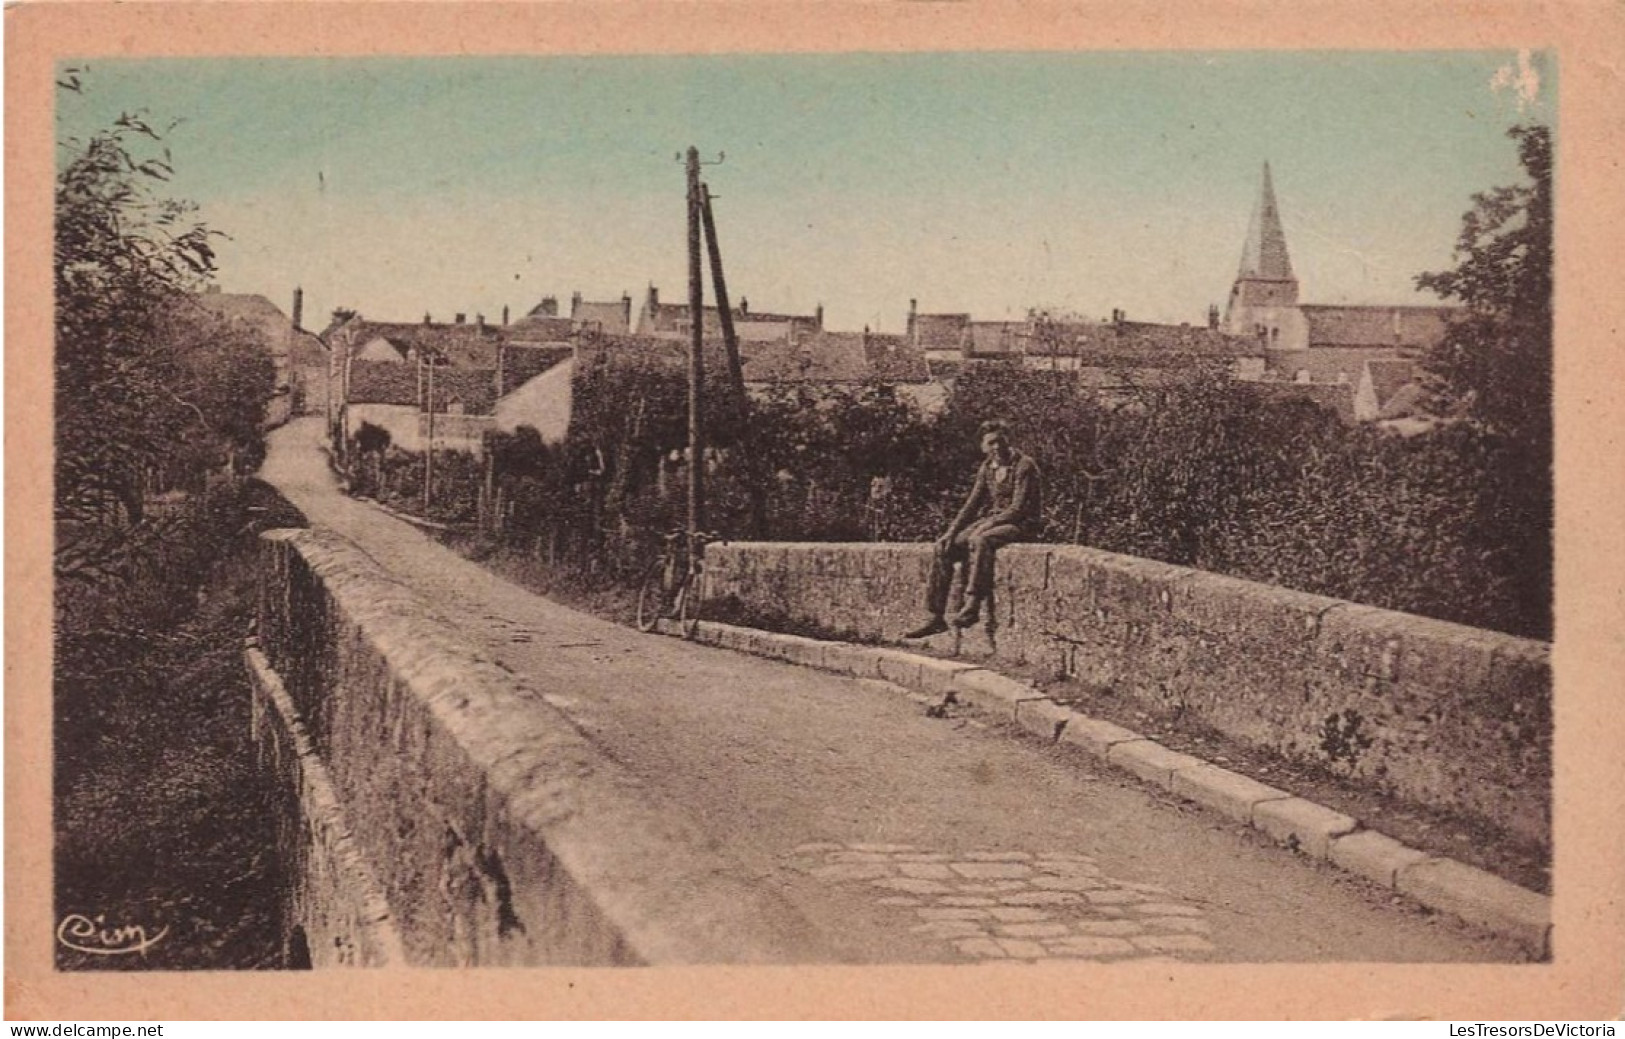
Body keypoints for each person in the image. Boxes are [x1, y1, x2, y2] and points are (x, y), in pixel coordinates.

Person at [904, 420, 1042, 638]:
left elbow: (1019, 508)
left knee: (981, 540)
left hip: (1022, 524)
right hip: (995, 520)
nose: (996, 447)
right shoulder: (988, 467)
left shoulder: (1024, 465)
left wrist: (988, 524)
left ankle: (972, 604)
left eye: (1000, 441)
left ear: (1008, 439)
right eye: (991, 443)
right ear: (983, 446)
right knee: (944, 548)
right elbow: (972, 504)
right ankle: (935, 616)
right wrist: (950, 533)